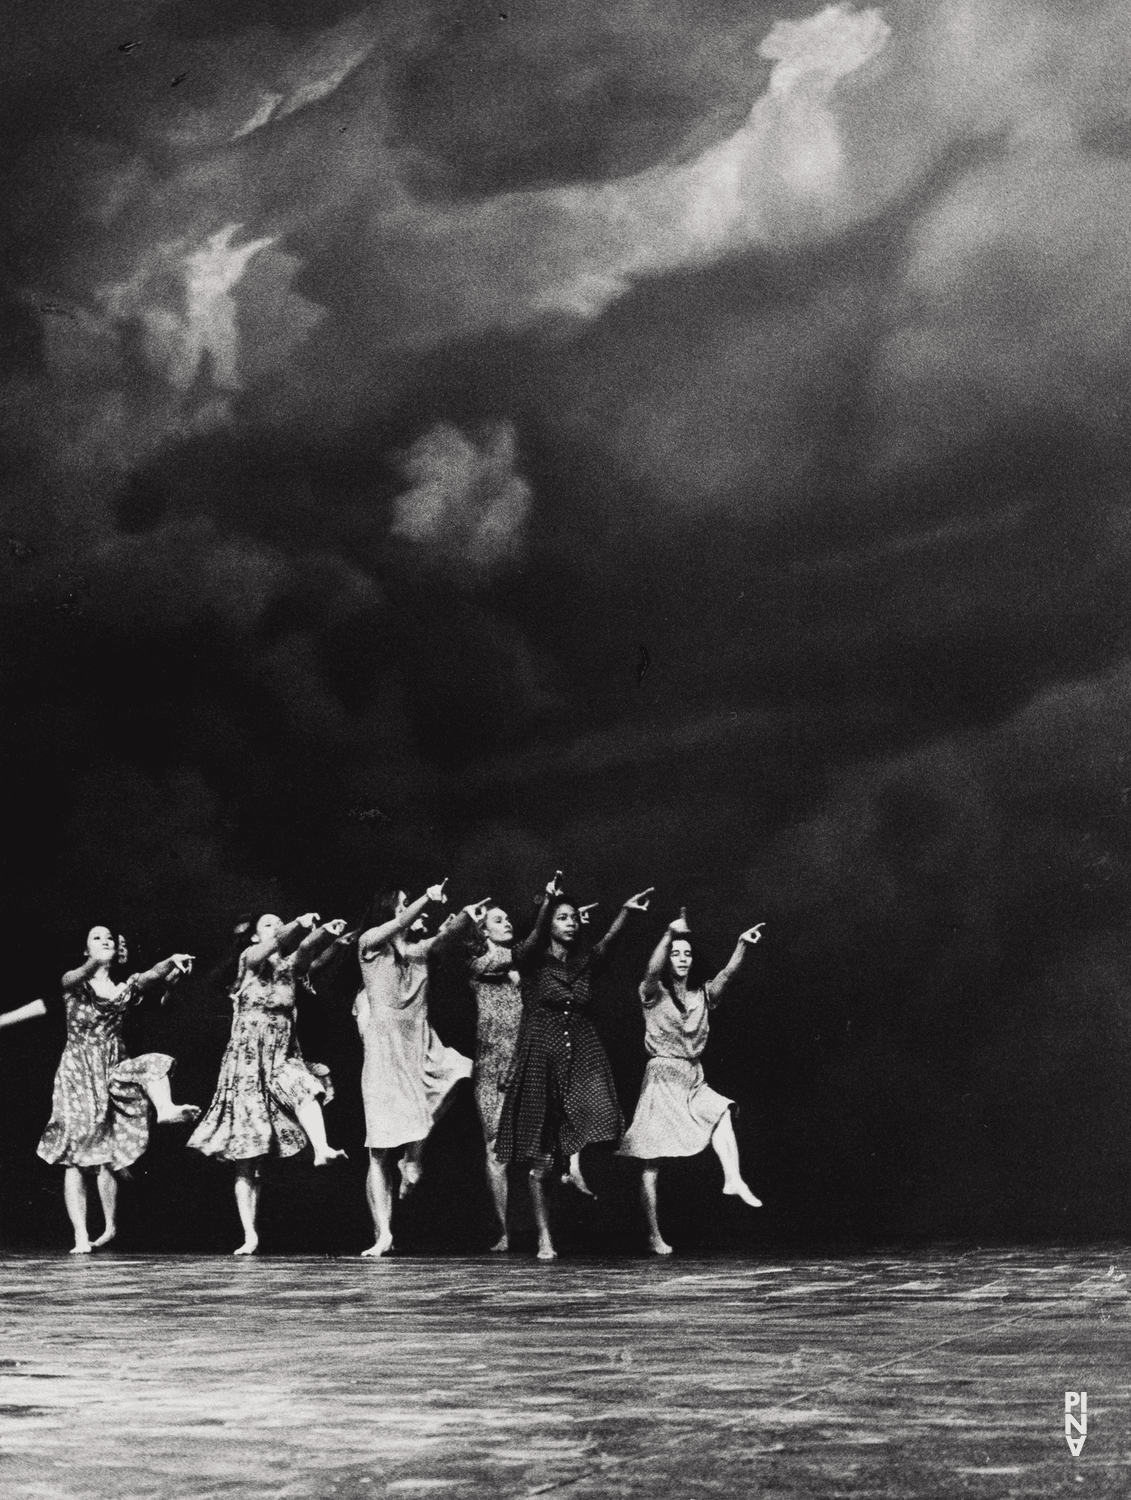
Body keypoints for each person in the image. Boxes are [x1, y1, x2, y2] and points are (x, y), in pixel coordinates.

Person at [496, 875, 654, 1260]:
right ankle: (544, 1236)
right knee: (540, 1156)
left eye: (573, 918)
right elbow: (529, 944)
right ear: (550, 922)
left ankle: (574, 1162)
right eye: (562, 917)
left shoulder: (583, 964)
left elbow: (605, 946)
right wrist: (546, 904)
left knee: (598, 1107)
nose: (571, 923)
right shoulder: (531, 959)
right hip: (541, 1050)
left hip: (581, 1045)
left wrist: (624, 913)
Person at [188, 911, 348, 1255]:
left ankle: (322, 1150)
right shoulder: (249, 960)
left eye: (279, 921)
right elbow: (280, 941)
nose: (275, 927)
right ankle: (250, 1234)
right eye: (267, 924)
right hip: (245, 1068)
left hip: (280, 1059)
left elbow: (305, 950)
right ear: (255, 936)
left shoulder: (291, 968)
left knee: (306, 1088)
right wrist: (296, 925)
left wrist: (325, 933)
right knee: (248, 1158)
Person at [37, 926, 198, 1254]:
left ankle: (165, 1109)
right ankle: (81, 1234)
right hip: (78, 1071)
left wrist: (172, 959)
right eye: (96, 938)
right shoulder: (77, 981)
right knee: (76, 1157)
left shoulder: (125, 986)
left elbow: (152, 975)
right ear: (85, 949)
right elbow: (70, 978)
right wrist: (93, 963)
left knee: (151, 1069)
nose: (105, 940)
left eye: (108, 937)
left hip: (112, 1064)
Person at [619, 909, 765, 1255]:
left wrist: (742, 944)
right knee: (651, 1158)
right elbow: (651, 970)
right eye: (676, 953)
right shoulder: (651, 992)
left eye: (687, 953)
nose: (682, 958)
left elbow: (727, 975)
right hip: (661, 1077)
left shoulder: (702, 994)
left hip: (692, 1075)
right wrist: (669, 934)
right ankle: (654, 1234)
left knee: (722, 1110)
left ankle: (733, 1178)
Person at [354, 881, 480, 1258]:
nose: (409, 910)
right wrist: (426, 898)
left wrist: (465, 916)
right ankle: (384, 1233)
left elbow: (442, 937)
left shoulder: (417, 952)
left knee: (459, 1070)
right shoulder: (369, 944)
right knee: (378, 1150)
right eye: (403, 904)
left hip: (419, 1042)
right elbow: (394, 927)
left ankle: (414, 1156)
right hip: (385, 1051)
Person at [462, 891, 558, 1251]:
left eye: (508, 918)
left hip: (527, 1060)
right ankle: (505, 1231)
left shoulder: (521, 970)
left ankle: (543, 1233)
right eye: (498, 920)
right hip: (492, 1064)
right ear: (483, 932)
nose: (507, 924)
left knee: (539, 1148)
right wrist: (545, 908)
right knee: (495, 1150)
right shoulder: (482, 962)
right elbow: (530, 946)